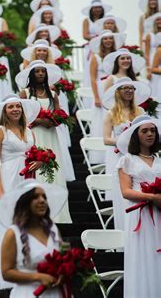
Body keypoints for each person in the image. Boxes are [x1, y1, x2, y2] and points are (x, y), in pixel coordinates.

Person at [0, 95, 41, 290]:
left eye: (18, 106)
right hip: (9, 177)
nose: (16, 109)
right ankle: (7, 275)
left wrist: (41, 161)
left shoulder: (29, 131)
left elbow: (35, 153)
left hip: (29, 179)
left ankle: (29, 268)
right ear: (5, 111)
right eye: (11, 107)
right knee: (10, 221)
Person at [18, 60, 72, 223]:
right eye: (37, 71)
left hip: (51, 135)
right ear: (32, 75)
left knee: (53, 168)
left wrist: (55, 120)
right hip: (34, 133)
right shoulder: (25, 93)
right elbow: (21, 116)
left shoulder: (53, 94)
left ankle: (57, 213)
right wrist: (40, 121)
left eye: (43, 71)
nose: (40, 74)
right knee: (36, 166)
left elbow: (58, 113)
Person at [116, 115, 161, 297]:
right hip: (140, 216)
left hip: (159, 213)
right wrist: (152, 197)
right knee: (142, 256)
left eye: (153, 130)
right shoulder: (127, 160)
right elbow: (126, 192)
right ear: (136, 135)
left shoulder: (160, 159)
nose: (150, 134)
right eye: (145, 131)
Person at [0, 180, 68, 298]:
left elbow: (63, 256)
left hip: (55, 292)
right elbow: (6, 272)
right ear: (25, 202)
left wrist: (63, 271)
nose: (42, 201)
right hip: (28, 293)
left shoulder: (53, 229)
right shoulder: (13, 233)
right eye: (35, 197)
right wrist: (38, 277)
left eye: (44, 197)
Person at [102, 78, 149, 231]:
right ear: (118, 92)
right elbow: (106, 139)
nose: (129, 91)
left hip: (140, 157)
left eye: (131, 88)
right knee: (123, 196)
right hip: (122, 157)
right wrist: (122, 141)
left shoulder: (140, 112)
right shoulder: (111, 113)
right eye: (125, 88)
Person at [85, 31, 124, 163]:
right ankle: (99, 157)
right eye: (105, 39)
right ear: (101, 41)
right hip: (101, 89)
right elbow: (92, 77)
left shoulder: (117, 56)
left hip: (116, 88)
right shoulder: (96, 57)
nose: (108, 41)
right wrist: (96, 97)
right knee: (102, 121)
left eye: (110, 38)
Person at [143, 12, 161, 79]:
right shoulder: (150, 35)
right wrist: (148, 69)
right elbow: (147, 53)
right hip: (152, 61)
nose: (159, 21)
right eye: (158, 20)